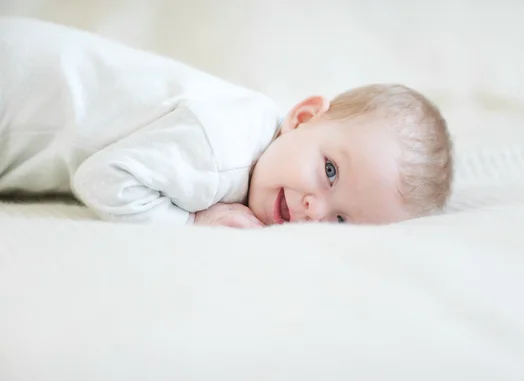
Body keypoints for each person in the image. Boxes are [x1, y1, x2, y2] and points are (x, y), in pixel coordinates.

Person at [0, 17, 452, 228]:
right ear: (303, 116)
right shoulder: (222, 152)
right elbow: (104, 179)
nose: (314, 209)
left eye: (340, 222)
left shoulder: (253, 127)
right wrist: (193, 223)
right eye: (330, 170)